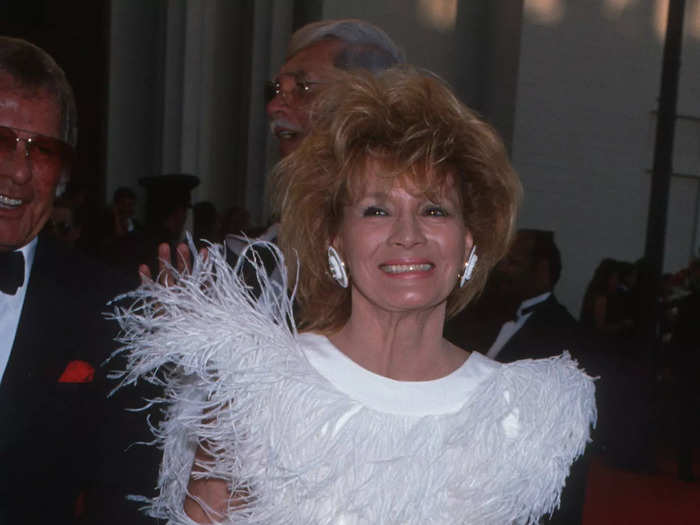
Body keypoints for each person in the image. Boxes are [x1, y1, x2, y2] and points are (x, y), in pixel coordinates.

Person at [115, 68, 595, 524]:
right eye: (376, 211)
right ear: (335, 241)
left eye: (433, 210)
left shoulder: (512, 413)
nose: (407, 234)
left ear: (468, 241)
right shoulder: (260, 391)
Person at [143, 19, 405, 280]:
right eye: (277, 89)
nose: (274, 107)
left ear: (366, 100)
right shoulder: (254, 264)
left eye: (302, 87)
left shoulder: (407, 243)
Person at [0, 36, 139, 524]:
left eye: (42, 151)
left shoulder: (110, 308)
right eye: (1, 140)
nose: (18, 172)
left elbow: (126, 497)